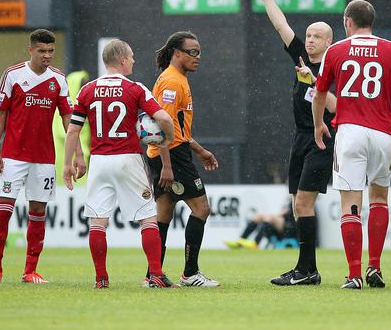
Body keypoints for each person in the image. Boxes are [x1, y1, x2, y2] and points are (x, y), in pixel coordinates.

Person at [313, 0, 391, 289]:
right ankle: (375, 266)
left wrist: (317, 125)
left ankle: (354, 274)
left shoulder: (335, 51)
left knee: (350, 204)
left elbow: (320, 93)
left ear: (348, 22)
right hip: (384, 134)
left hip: (350, 132)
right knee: (379, 200)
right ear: (371, 21)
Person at [63, 39, 175, 289]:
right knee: (147, 218)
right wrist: (168, 136)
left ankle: (101, 278)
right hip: (128, 158)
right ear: (123, 60)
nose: (134, 61)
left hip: (99, 161)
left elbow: (73, 131)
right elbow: (164, 118)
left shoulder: (87, 90)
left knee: (97, 222)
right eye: (132, 57)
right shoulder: (135, 89)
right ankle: (155, 275)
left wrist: (67, 165)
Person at [255, 0, 337, 286]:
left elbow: (336, 107)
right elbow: (280, 24)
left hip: (322, 138)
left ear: (330, 42)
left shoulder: (334, 66)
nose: (311, 40)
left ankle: (308, 270)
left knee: (304, 203)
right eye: (310, 35)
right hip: (300, 137)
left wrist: (315, 82)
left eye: (317, 36)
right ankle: (305, 268)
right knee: (296, 203)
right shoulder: (301, 55)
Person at [0, 29, 86, 284]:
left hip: (43, 158)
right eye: (42, 51)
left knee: (38, 210)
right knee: (5, 210)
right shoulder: (13, 75)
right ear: (30, 50)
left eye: (51, 51)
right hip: (13, 156)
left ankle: (30, 270)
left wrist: (78, 153)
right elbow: (0, 113)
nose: (47, 55)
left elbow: (68, 117)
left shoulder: (58, 79)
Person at [145, 31, 220, 287]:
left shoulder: (177, 78)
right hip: (171, 155)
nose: (198, 57)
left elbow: (176, 127)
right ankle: (190, 273)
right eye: (192, 52)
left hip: (169, 152)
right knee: (201, 209)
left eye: (199, 52)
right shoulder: (172, 82)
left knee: (163, 214)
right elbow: (160, 126)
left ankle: (153, 275)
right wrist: (167, 165)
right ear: (177, 53)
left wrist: (199, 150)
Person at [53, 70, 91, 185]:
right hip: (67, 161)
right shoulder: (62, 112)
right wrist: (80, 152)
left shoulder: (84, 108)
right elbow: (66, 133)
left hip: (83, 159)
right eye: (82, 85)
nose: (85, 88)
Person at [224, 202, 298, 250]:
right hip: (286, 222)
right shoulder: (294, 193)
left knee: (270, 218)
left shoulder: (302, 192)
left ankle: (255, 243)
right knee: (259, 216)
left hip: (294, 226)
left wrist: (284, 213)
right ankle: (240, 241)